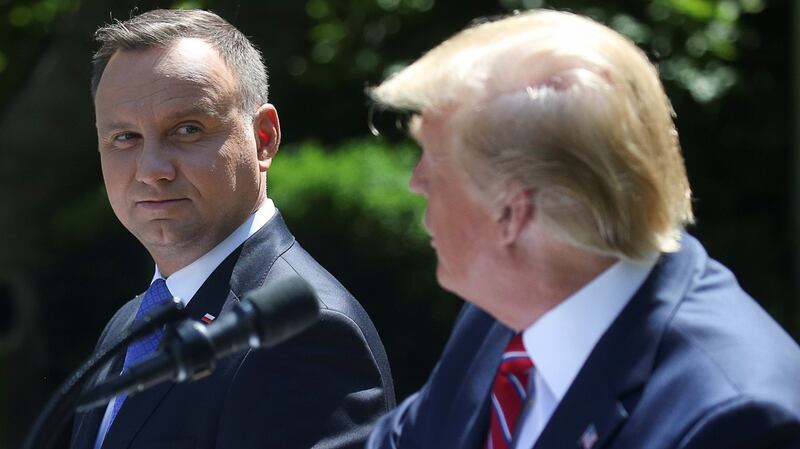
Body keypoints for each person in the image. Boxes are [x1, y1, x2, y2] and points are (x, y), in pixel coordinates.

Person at [366, 9, 800, 449]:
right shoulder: (507, 309)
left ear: (511, 214)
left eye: (435, 162)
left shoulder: (737, 421)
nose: (415, 181)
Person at [70, 8, 394, 449]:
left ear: (263, 138)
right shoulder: (131, 322)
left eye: (187, 129)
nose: (152, 170)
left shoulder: (304, 332)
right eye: (125, 138)